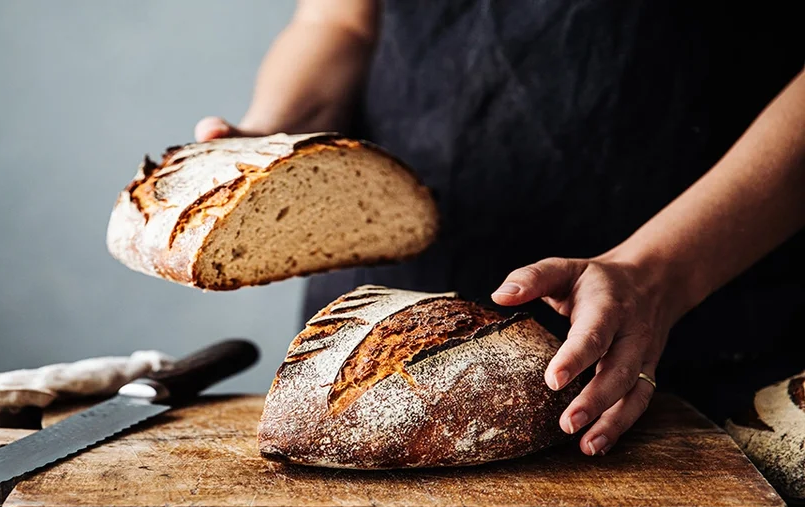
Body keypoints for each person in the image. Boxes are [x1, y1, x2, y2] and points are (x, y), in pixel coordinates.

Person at [195, 0, 805, 457]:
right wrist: (273, 143)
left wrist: (661, 273)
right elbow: (340, 22)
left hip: (702, 279)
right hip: (378, 320)